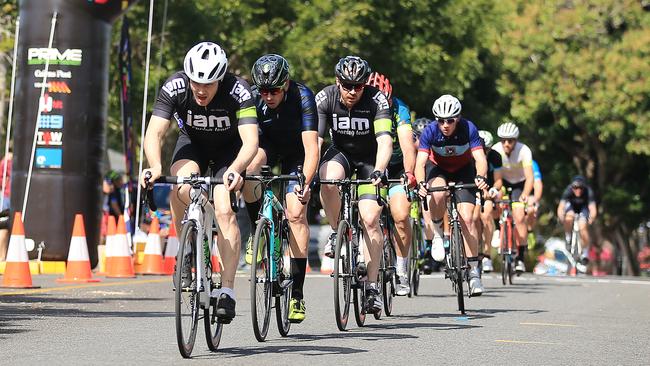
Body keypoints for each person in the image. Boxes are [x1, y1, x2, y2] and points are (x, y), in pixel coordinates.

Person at [140, 42, 258, 323]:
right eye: (196, 82)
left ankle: (227, 290)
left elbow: (251, 140)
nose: (200, 90)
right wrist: (155, 165)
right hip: (193, 145)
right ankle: (190, 248)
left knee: (225, 210)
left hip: (230, 151)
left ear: (220, 79)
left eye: (208, 84)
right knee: (180, 189)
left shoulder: (238, 91)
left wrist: (238, 169)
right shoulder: (175, 87)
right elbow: (154, 132)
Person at [242, 54, 319, 323]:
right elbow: (245, 143)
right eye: (264, 91)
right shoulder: (252, 98)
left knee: (296, 213)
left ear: (285, 84)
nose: (268, 96)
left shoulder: (303, 97)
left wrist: (305, 184)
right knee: (250, 169)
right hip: (268, 148)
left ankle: (296, 294)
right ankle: (257, 232)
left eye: (274, 90)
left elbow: (312, 148)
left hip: (297, 154)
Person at [317, 56, 392, 313]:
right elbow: (315, 141)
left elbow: (384, 140)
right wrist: (309, 173)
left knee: (371, 219)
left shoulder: (376, 99)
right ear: (337, 81)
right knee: (327, 180)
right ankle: (337, 230)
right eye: (346, 85)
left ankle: (372, 287)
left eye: (358, 86)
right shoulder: (325, 98)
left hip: (370, 159)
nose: (352, 91)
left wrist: (381, 169)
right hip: (341, 154)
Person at [415, 94, 488, 296]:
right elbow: (420, 163)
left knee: (468, 220)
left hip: (464, 169)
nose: (445, 125)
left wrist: (481, 176)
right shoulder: (430, 131)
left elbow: (480, 159)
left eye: (450, 120)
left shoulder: (468, 128)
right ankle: (438, 231)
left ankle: (474, 273)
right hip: (438, 168)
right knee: (437, 193)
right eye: (440, 120)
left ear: (458, 118)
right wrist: (421, 183)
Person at [365, 72, 417, 296]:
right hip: (369, 163)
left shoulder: (400, 108)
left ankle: (402, 267)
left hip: (395, 166)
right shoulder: (362, 105)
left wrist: (409, 172)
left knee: (401, 216)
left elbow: (407, 145)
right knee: (367, 213)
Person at [491, 122, 534, 273]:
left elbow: (530, 177)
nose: (506, 144)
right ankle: (498, 228)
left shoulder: (524, 151)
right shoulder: (496, 150)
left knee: (519, 216)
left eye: (510, 140)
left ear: (516, 140)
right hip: (502, 182)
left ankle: (520, 257)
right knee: (494, 200)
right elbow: (495, 175)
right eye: (503, 140)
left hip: (519, 184)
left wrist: (525, 195)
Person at [556, 175, 597, 273]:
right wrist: (561, 216)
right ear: (572, 187)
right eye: (575, 188)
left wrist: (591, 218)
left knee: (583, 227)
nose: (578, 190)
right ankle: (568, 237)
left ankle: (585, 252)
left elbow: (593, 209)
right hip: (572, 208)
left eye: (580, 188)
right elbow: (561, 207)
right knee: (568, 217)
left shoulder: (588, 192)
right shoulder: (568, 191)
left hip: (583, 209)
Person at [476, 130, 502, 273]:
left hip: (489, 188)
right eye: (482, 149)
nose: (484, 152)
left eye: (487, 149)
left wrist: (493, 190)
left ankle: (487, 255)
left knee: (486, 216)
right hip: (474, 187)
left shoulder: (495, 157)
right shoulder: (471, 154)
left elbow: (498, 180)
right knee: (472, 218)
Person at [526, 160, 543, 248]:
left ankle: (529, 231)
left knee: (531, 208)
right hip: (513, 190)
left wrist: (536, 200)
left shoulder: (532, 163)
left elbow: (538, 183)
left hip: (528, 193)